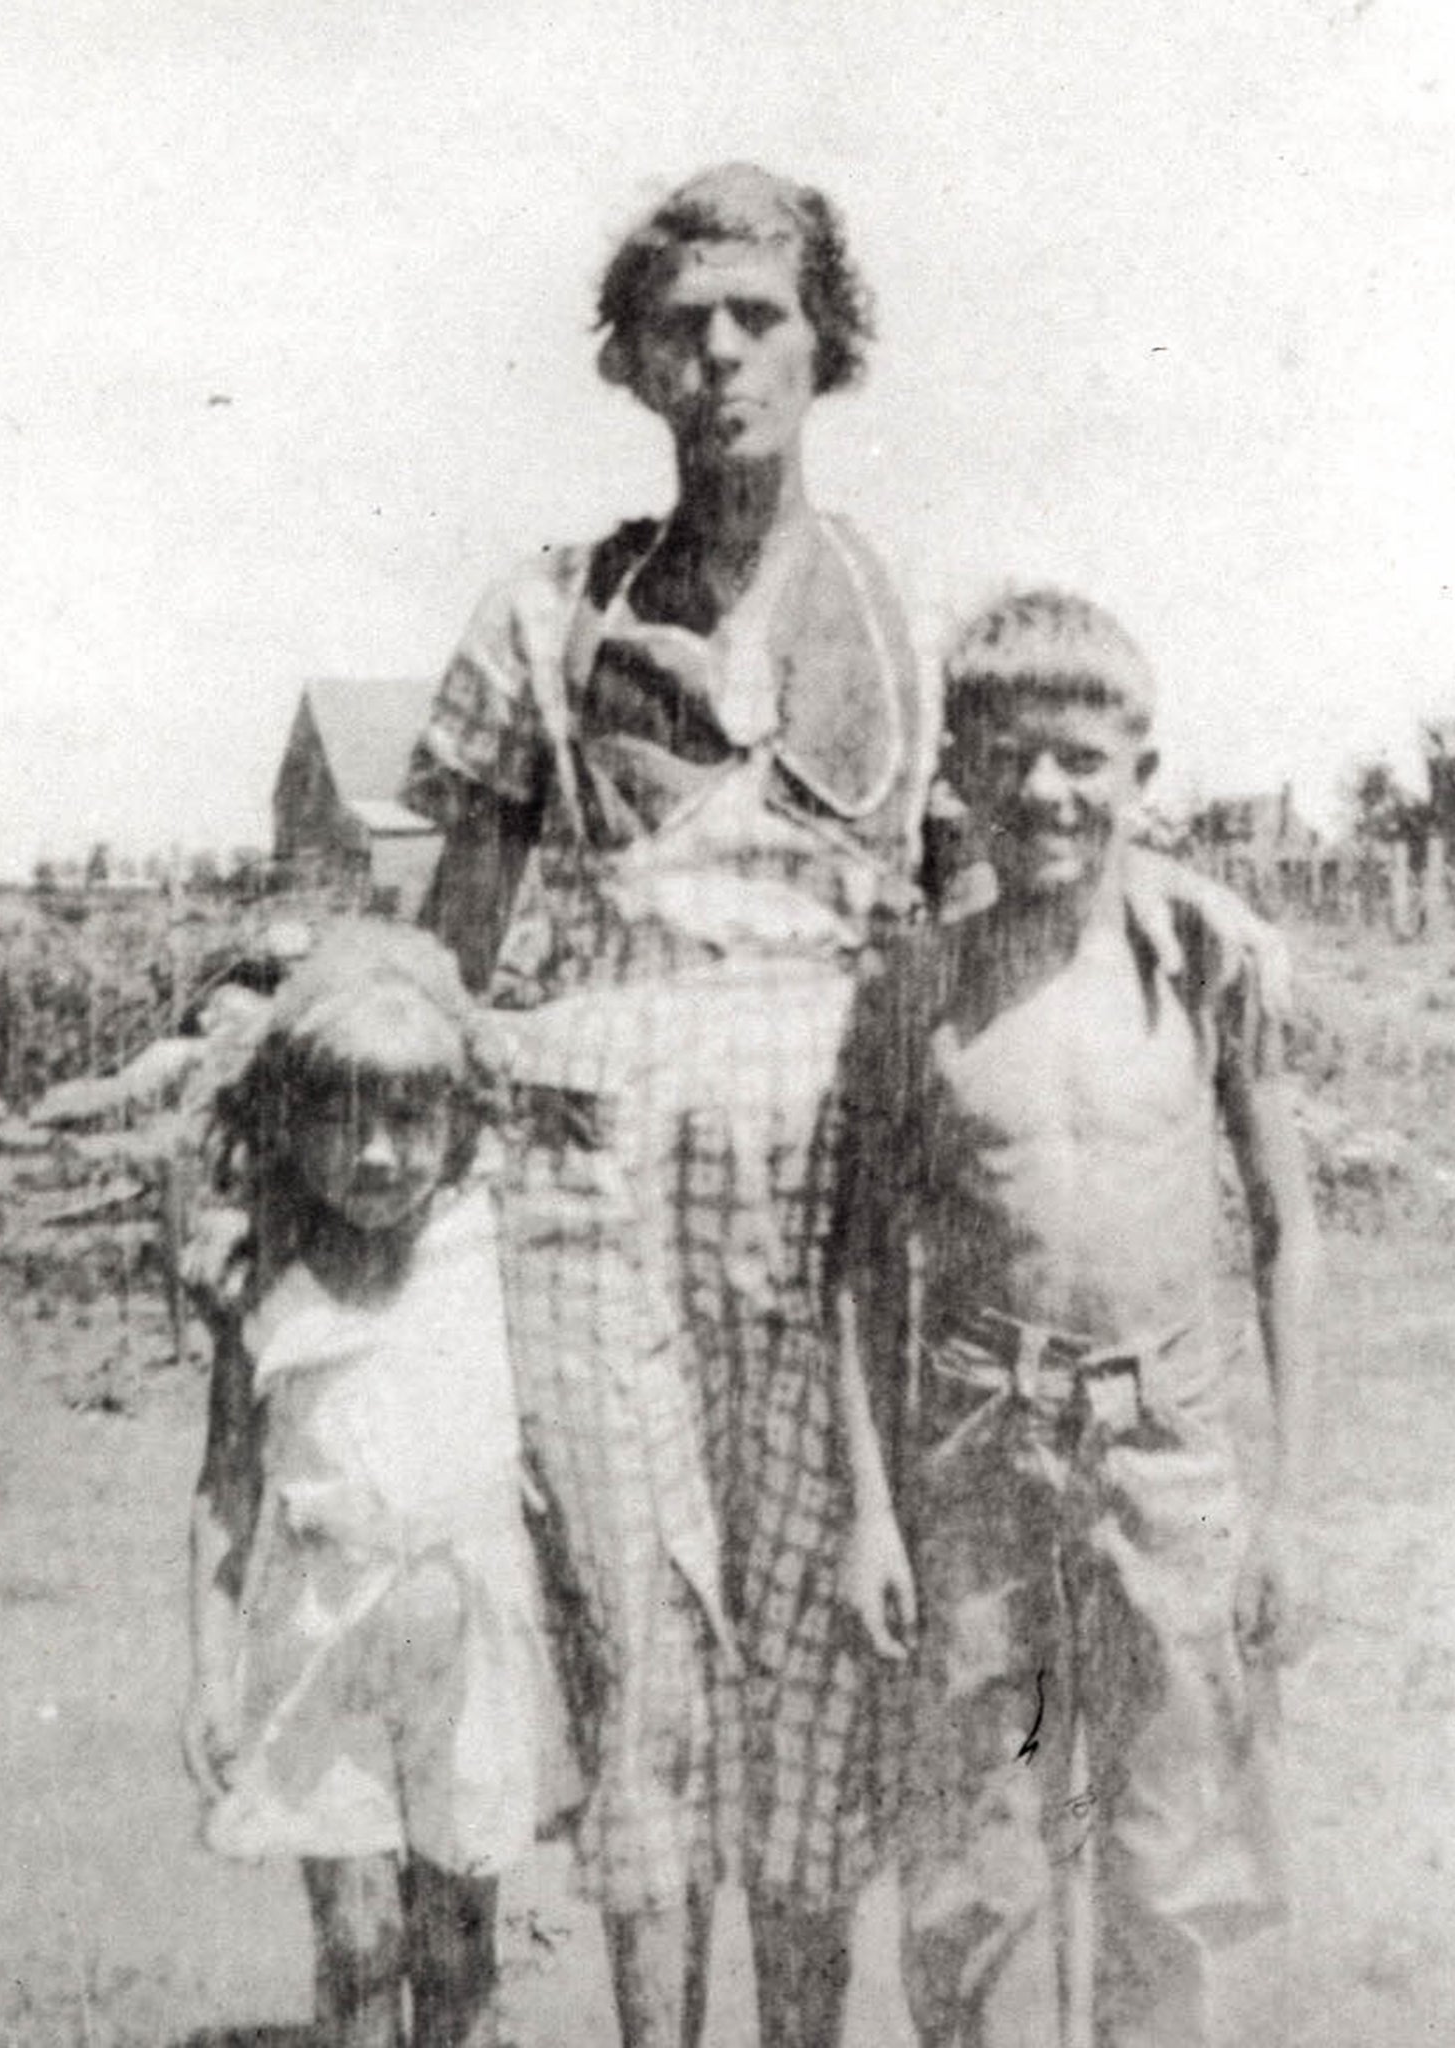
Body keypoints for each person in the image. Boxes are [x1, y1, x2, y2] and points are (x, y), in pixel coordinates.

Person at [403, 163, 928, 2047]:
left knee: (810, 1655)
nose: (719, 355)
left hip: (821, 1217)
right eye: (680, 324)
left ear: (823, 341)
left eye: (758, 316)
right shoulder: (543, 621)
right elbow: (441, 963)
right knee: (640, 1650)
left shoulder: (911, 632)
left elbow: (985, 941)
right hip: (591, 1194)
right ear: (630, 360)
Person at [829, 588, 1319, 2047]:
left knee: (1175, 1858)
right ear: (961, 774)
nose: (1046, 791)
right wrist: (871, 1508)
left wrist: (1286, 1506)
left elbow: (1291, 1232)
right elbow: (860, 1262)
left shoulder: (1205, 972)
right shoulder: (916, 995)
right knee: (980, 1871)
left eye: (1083, 760)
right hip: (980, 1460)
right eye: (1010, 756)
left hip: (1166, 1460)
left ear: (1139, 777)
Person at [182, 921, 570, 2048]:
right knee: (358, 1942)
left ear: (458, 1127)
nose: (379, 1154)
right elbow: (224, 1491)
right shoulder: (265, 1284)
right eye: (341, 1119)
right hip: (321, 1641)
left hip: (470, 1639)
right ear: (286, 1121)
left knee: (458, 1942)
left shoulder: (491, 1249)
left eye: (410, 1119)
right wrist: (209, 1672)